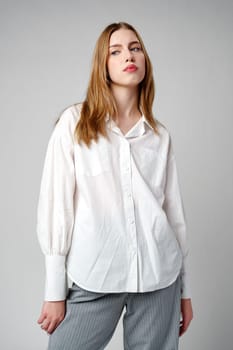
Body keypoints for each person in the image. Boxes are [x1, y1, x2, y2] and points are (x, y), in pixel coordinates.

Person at [36, 21, 193, 350]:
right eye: (116, 51)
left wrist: (184, 290)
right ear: (102, 65)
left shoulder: (159, 136)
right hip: (95, 273)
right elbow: (57, 207)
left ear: (145, 59)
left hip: (158, 277)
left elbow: (173, 216)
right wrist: (54, 291)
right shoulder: (75, 125)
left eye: (135, 48)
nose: (128, 56)